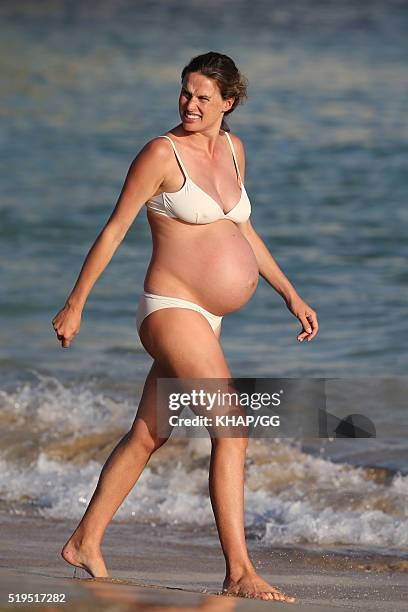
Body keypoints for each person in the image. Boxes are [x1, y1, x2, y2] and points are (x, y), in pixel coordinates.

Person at [52, 51, 318, 603]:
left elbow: (243, 230)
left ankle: (84, 540)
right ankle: (239, 570)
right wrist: (76, 303)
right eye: (185, 93)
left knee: (150, 433)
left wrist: (290, 293)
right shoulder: (160, 153)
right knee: (234, 427)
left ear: (228, 102)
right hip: (170, 309)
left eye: (203, 97)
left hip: (210, 318)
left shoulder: (235, 151)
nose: (190, 105)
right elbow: (114, 230)